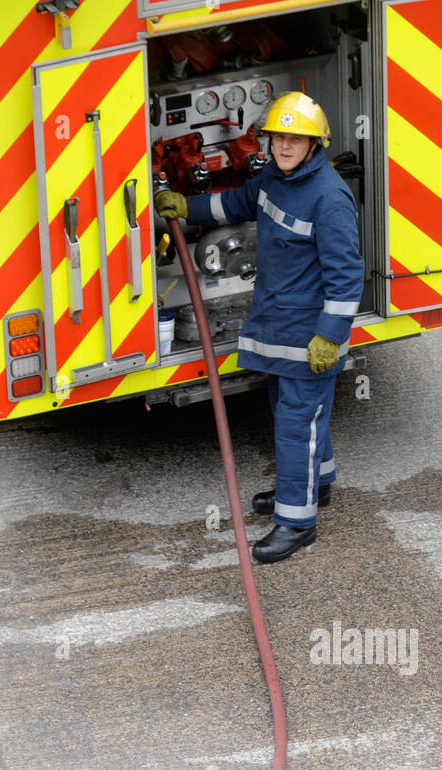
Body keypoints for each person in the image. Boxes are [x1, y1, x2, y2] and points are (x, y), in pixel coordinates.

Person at [155, 92, 364, 564]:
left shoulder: (329, 198)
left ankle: (297, 522)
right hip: (278, 326)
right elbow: (235, 203)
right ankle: (317, 485)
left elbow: (347, 274)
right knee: (297, 415)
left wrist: (330, 336)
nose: (284, 146)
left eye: (296, 139)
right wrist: (186, 207)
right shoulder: (274, 176)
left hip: (308, 336)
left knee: (295, 425)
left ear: (314, 145)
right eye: (278, 138)